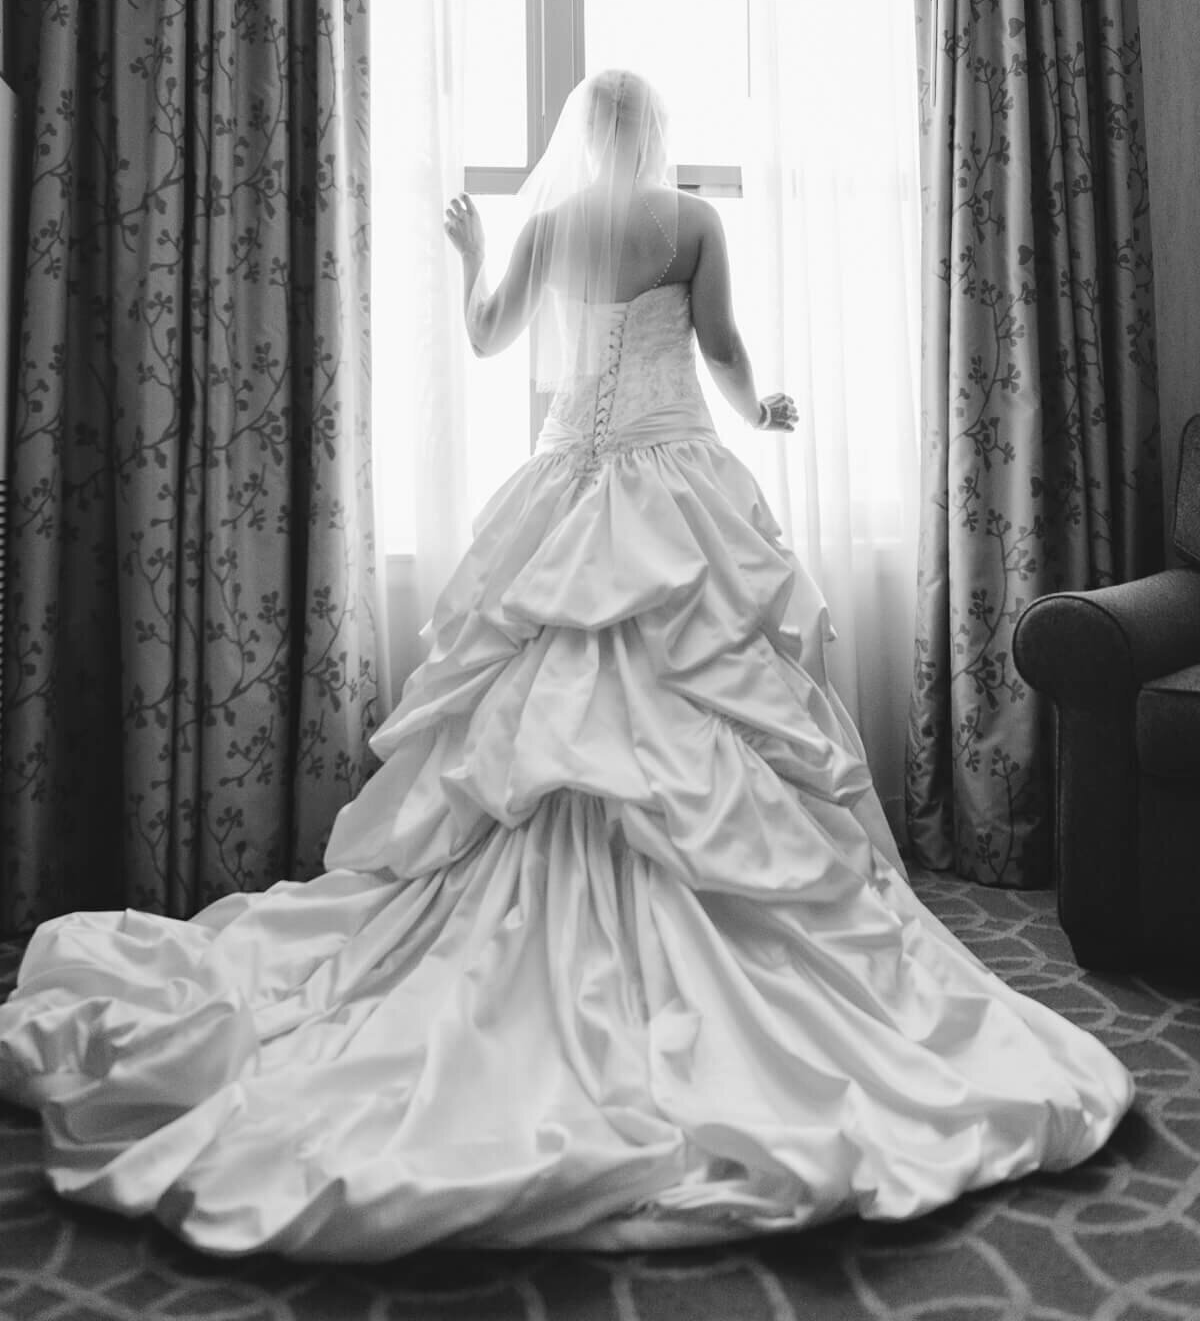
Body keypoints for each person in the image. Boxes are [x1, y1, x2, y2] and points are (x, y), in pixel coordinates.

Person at [0, 70, 1132, 1261]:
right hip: (675, 479)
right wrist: (763, 410)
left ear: (581, 142)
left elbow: (492, 336)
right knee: (711, 706)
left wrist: (473, 250)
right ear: (654, 136)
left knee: (542, 710)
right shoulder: (692, 219)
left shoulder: (549, 224)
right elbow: (727, 348)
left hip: (568, 483)